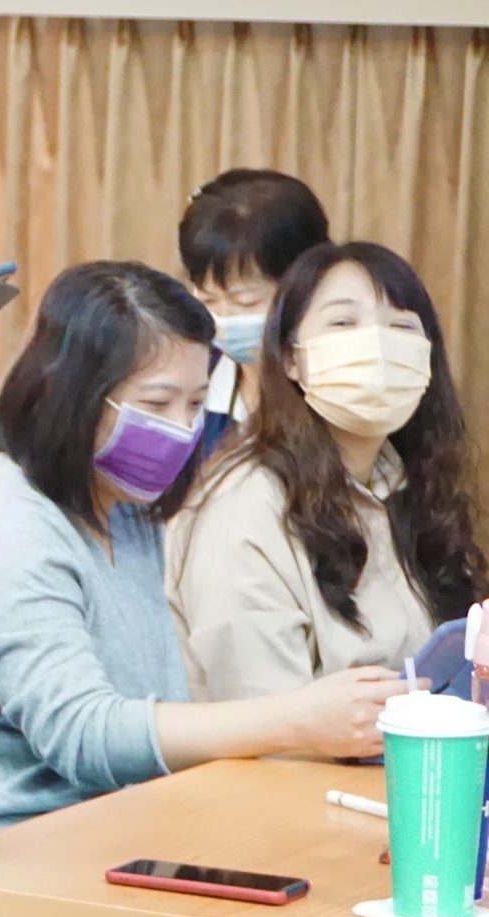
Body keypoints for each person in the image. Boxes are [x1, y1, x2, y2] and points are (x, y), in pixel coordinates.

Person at [0, 263, 404, 917]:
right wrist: (297, 720)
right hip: (25, 909)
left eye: (196, 402)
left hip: (121, 870)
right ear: (70, 391)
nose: (181, 429)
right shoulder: (1, 523)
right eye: (157, 401)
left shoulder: (123, 514)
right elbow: (87, 734)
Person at [169, 242, 485, 701]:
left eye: (401, 326)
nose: (377, 345)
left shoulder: (403, 483)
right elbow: (263, 718)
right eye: (343, 323)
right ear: (290, 358)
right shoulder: (244, 505)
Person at [177, 168, 330, 456]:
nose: (224, 318)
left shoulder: (344, 384)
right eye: (208, 300)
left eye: (246, 302)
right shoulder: (191, 377)